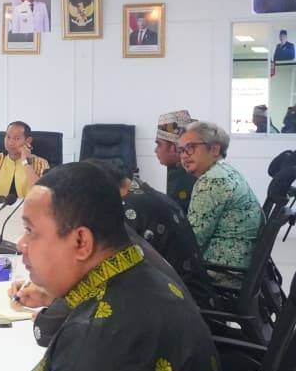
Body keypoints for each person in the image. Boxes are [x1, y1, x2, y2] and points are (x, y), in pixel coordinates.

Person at [0, 163, 226, 371]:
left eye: (31, 231)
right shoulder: (140, 269)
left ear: (80, 242)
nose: (21, 244)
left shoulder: (97, 338)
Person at [85, 159, 216, 308]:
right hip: (197, 294)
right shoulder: (145, 192)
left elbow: (112, 270)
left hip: (182, 306)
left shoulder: (129, 211)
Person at [179, 121, 262, 270]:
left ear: (215, 149)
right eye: (181, 150)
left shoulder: (212, 181)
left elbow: (191, 242)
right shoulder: (226, 171)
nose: (184, 156)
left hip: (221, 271)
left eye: (190, 148)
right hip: (239, 265)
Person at [0, 121, 49, 202]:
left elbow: (42, 193)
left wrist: (26, 163)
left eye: (16, 138)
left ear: (28, 141)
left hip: (28, 210)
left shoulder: (41, 163)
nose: (10, 143)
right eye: (8, 137)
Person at [154, 110, 196, 212]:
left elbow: (176, 219)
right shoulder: (178, 168)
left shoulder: (187, 175)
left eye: (159, 144)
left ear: (174, 148)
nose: (155, 150)